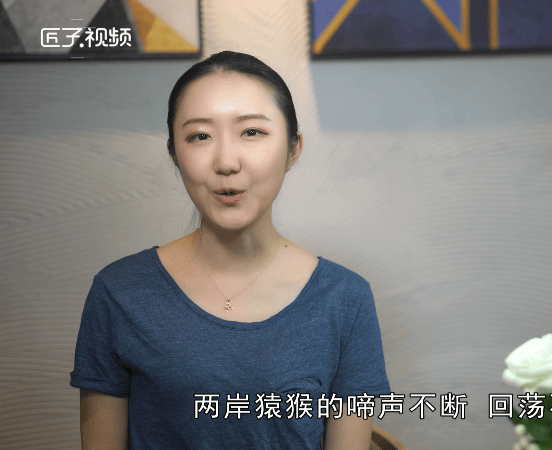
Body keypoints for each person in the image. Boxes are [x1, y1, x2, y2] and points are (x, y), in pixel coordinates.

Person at [70, 51, 390, 449]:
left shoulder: (345, 299)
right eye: (199, 136)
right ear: (174, 154)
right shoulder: (119, 293)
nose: (226, 162)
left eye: (252, 132)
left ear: (293, 149)